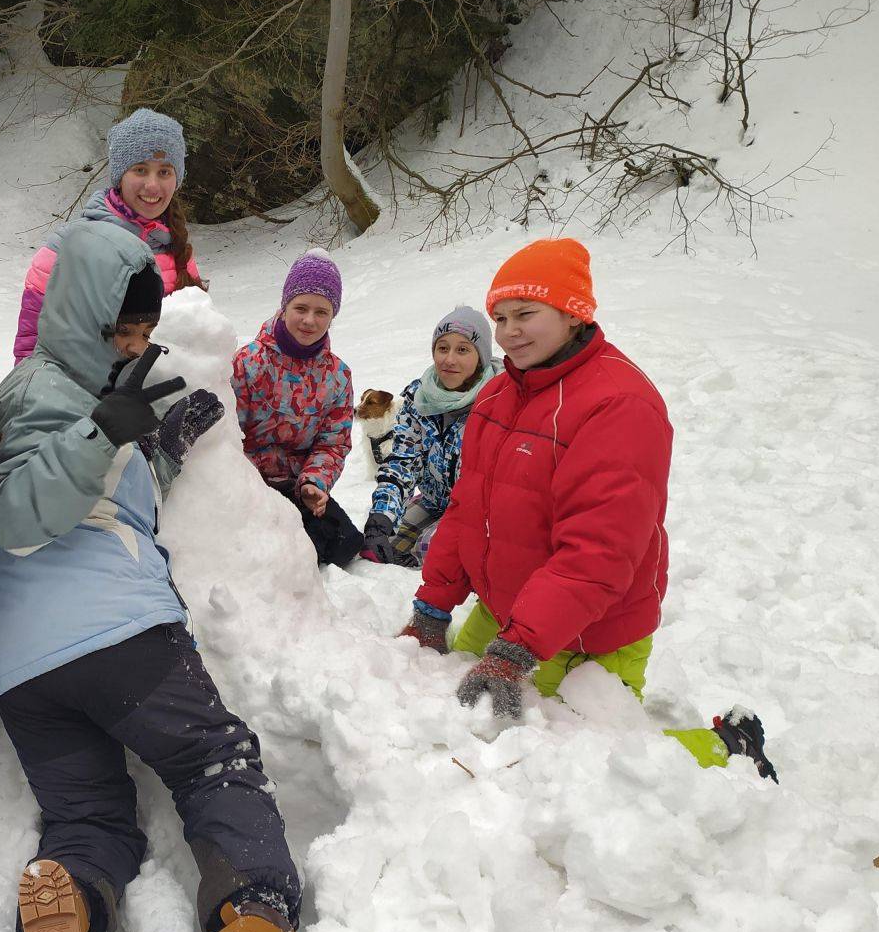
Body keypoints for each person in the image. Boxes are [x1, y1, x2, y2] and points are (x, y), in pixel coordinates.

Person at [0, 220, 346, 932]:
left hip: (25, 673)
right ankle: (256, 924)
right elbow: (20, 513)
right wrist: (105, 432)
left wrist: (161, 450)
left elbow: (110, 492)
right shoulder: (41, 391)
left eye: (144, 329)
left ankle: (69, 906)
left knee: (89, 814)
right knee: (214, 761)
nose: (134, 343)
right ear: (78, 314)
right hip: (117, 635)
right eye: (121, 327)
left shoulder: (80, 391)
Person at [397, 239, 776, 781]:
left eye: (526, 314)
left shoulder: (618, 404)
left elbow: (598, 552)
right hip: (506, 612)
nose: (509, 332)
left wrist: (518, 650)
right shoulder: (497, 396)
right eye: (501, 318)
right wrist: (433, 607)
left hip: (587, 633)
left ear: (573, 314)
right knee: (451, 710)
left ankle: (730, 746)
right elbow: (466, 512)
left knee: (581, 763)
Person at [12, 107, 202, 365]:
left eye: (164, 172)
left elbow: (195, 344)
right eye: (140, 170)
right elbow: (31, 354)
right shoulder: (68, 248)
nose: (153, 185)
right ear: (119, 176)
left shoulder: (178, 249)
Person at [232, 250, 358, 567]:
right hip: (246, 485)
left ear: (332, 316)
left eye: (321, 312)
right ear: (285, 306)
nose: (309, 320)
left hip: (296, 486)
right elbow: (227, 436)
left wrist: (314, 483)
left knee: (343, 545)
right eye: (301, 308)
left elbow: (333, 443)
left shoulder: (337, 376)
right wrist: (247, 487)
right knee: (265, 552)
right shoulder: (248, 362)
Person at [362, 305, 499, 567]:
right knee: (385, 541)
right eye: (443, 348)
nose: (449, 359)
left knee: (429, 549)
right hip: (434, 501)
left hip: (478, 513)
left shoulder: (497, 401)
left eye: (462, 350)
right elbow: (402, 462)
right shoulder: (418, 398)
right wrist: (381, 517)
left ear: (481, 356)